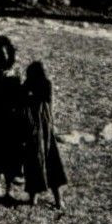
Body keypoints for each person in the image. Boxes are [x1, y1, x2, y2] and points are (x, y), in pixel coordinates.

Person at [20, 60, 68, 210]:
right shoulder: (45, 84)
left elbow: (25, 99)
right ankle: (57, 200)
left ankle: (34, 199)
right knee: (50, 161)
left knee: (35, 161)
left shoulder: (37, 86)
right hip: (44, 129)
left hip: (36, 129)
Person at [0, 35, 26, 201]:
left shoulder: (16, 72)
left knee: (11, 156)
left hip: (12, 119)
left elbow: (22, 96)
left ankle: (9, 187)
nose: (1, 57)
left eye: (3, 54)